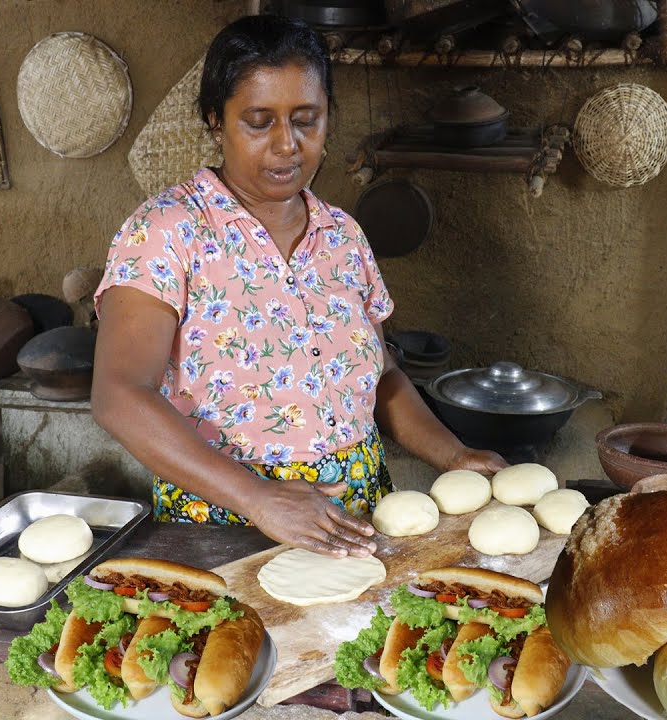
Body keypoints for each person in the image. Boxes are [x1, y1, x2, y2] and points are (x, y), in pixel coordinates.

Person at [91, 15, 506, 559]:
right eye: (259, 122)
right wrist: (259, 498)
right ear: (216, 120)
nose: (288, 144)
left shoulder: (342, 236)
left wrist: (453, 457)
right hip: (225, 528)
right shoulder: (168, 231)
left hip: (360, 522)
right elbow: (119, 395)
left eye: (306, 120)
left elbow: (382, 378)